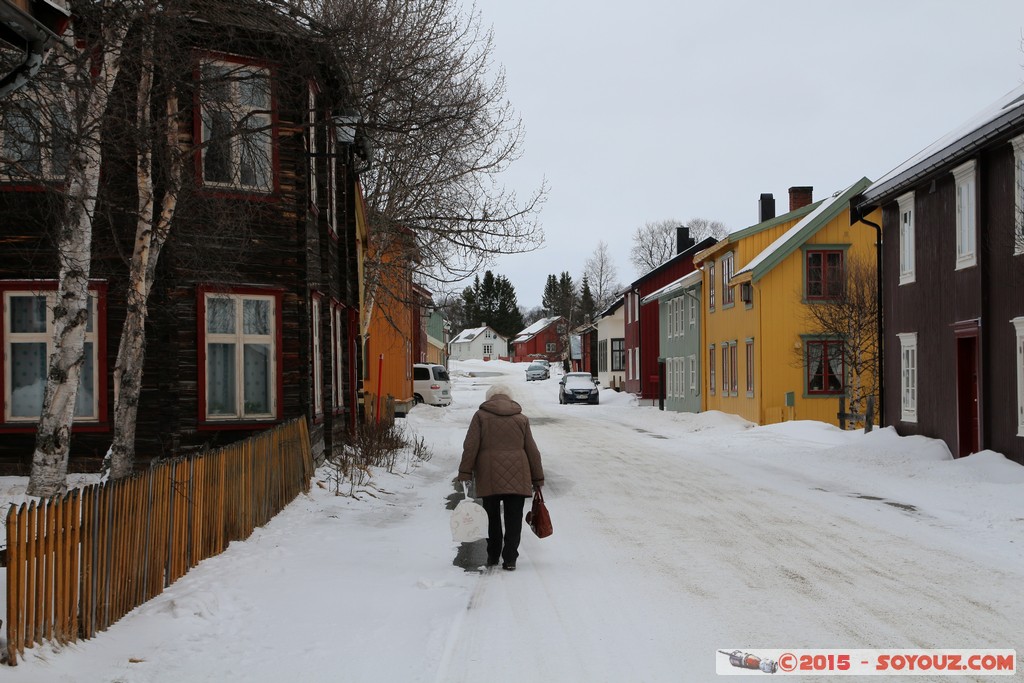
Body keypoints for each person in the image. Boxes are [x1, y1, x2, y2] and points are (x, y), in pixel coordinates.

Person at [458, 383, 544, 571]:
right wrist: (537, 478)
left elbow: (470, 446)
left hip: (489, 474)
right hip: (518, 473)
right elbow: (532, 450)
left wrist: (465, 471)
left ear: (489, 398)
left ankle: (493, 555)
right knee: (514, 518)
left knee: (491, 517)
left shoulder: (480, 416)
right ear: (509, 398)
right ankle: (510, 559)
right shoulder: (521, 418)